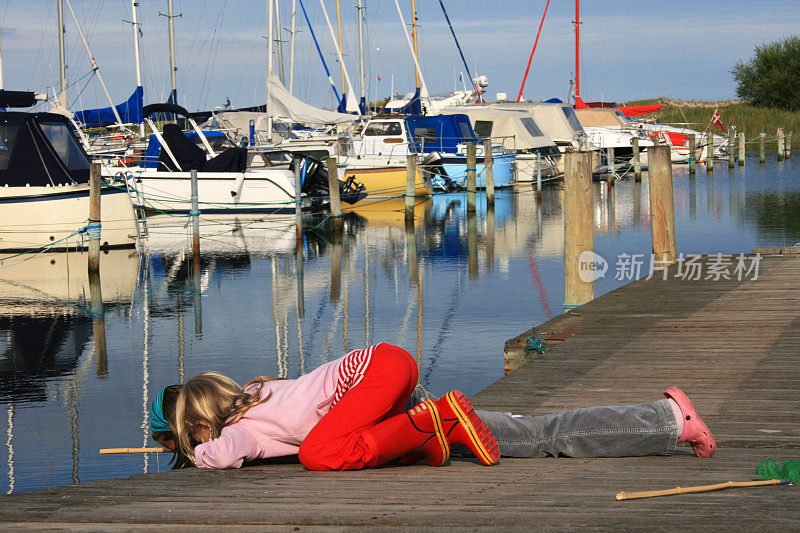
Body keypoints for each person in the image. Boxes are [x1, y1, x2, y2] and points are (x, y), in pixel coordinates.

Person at [158, 342, 714, 471]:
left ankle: (433, 423)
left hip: (381, 378)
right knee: (537, 435)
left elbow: (229, 452)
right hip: (387, 377)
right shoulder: (265, 395)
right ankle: (668, 420)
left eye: (195, 435)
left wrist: (197, 455)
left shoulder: (248, 427)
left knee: (320, 455)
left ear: (204, 425)